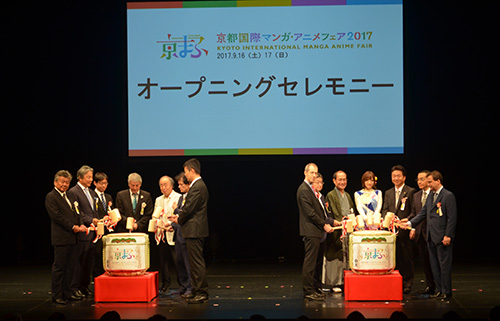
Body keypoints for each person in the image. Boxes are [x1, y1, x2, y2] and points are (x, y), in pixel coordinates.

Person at [401, 171, 457, 300]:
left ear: (438, 181)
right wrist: (409, 223)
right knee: (434, 266)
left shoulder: (448, 196)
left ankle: (446, 291)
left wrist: (448, 235)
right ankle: (438, 289)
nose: (428, 184)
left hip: (442, 236)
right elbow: (422, 213)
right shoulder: (431, 195)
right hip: (430, 236)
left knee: (444, 265)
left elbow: (452, 218)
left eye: (430, 181)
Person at [168, 158, 209, 303]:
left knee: (196, 262)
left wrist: (179, 218)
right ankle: (196, 290)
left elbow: (189, 208)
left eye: (186, 172)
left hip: (195, 230)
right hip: (192, 229)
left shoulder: (197, 186)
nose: (186, 176)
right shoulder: (196, 186)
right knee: (192, 263)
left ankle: (202, 291)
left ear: (192, 170)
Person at [45, 170, 85, 304]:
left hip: (73, 237)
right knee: (60, 267)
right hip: (61, 237)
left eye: (67, 182)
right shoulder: (51, 196)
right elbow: (57, 217)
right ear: (55, 182)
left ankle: (68, 292)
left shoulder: (70, 195)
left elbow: (77, 213)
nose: (64, 184)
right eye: (62, 182)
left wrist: (80, 224)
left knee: (70, 267)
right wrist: (73, 227)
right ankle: (57, 295)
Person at [297, 163, 335, 301]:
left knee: (316, 263)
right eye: (312, 173)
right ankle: (308, 291)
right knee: (310, 263)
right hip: (310, 231)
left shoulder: (311, 190)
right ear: (305, 173)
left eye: (316, 173)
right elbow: (310, 214)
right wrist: (324, 225)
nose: (314, 175)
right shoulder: (303, 190)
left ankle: (314, 288)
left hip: (316, 231)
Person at [381, 165, 415, 294]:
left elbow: (413, 210)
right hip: (391, 231)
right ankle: (396, 281)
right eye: (393, 176)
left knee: (406, 257)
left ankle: (408, 281)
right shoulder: (388, 192)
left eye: (398, 176)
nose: (396, 178)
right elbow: (385, 209)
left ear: (404, 177)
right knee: (394, 257)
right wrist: (388, 220)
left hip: (404, 229)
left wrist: (407, 221)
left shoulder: (410, 191)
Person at [67, 165, 99, 298]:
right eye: (88, 177)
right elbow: (77, 213)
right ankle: (74, 287)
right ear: (80, 177)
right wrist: (91, 220)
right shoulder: (73, 192)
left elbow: (94, 211)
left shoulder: (91, 192)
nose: (91, 180)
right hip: (82, 232)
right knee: (78, 262)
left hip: (92, 232)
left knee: (88, 262)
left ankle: (84, 286)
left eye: (91, 177)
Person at [324, 170, 354, 293]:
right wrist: (341, 223)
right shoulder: (331, 195)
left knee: (346, 257)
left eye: (344, 179)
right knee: (335, 258)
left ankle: (344, 281)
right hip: (337, 230)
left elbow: (351, 210)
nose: (342, 182)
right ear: (334, 181)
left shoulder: (347, 195)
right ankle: (334, 283)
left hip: (347, 229)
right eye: (340, 179)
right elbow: (334, 213)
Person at [408, 170, 435, 295]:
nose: (419, 182)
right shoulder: (416, 195)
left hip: (432, 233)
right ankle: (430, 285)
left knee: (433, 261)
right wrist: (411, 225)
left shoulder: (434, 194)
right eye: (418, 179)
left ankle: (439, 285)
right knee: (424, 262)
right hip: (420, 233)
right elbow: (415, 213)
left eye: (422, 179)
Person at [154, 175, 181, 293]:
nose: (163, 188)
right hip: (161, 233)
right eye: (161, 185)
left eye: (165, 185)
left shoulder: (178, 197)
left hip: (173, 232)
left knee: (177, 260)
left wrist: (170, 224)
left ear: (171, 186)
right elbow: (155, 215)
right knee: (163, 260)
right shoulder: (158, 199)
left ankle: (182, 283)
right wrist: (159, 223)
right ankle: (165, 283)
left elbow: (180, 215)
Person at [172, 172, 193, 298]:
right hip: (178, 235)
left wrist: (176, 210)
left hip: (187, 235)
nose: (179, 187)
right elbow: (180, 218)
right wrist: (172, 224)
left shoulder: (191, 197)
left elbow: (186, 214)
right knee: (179, 262)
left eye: (181, 184)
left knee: (188, 263)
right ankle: (183, 286)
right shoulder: (181, 198)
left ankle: (191, 287)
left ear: (188, 184)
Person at [93, 172, 113, 278]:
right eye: (101, 183)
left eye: (105, 183)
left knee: (106, 255)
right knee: (97, 255)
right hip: (96, 230)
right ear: (95, 183)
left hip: (107, 230)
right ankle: (96, 278)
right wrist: (101, 219)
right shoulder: (92, 195)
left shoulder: (108, 196)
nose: (103, 186)